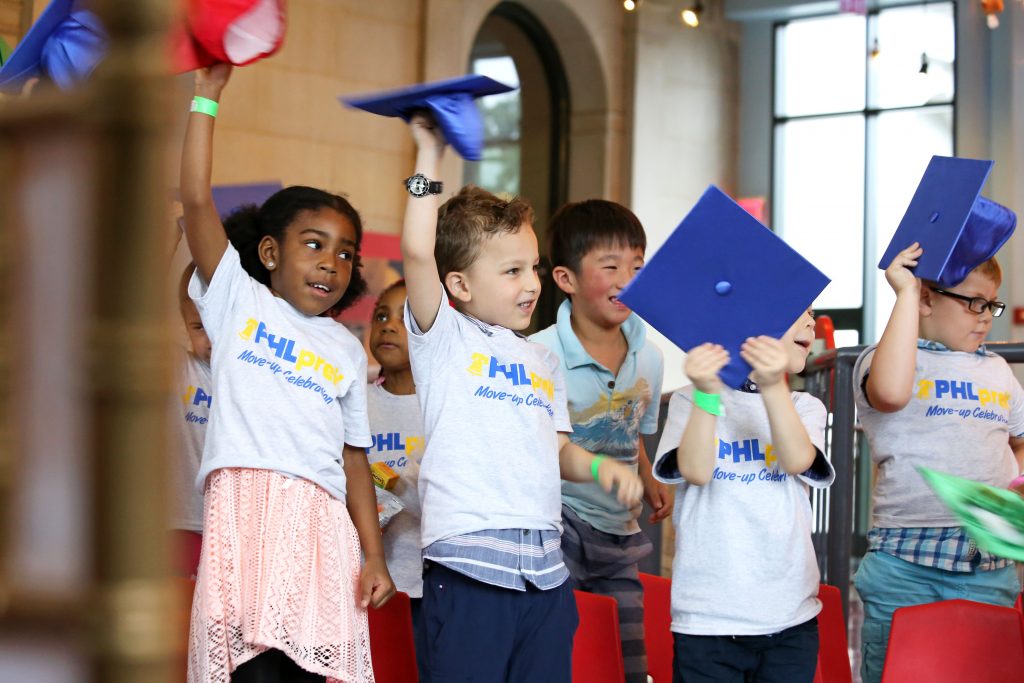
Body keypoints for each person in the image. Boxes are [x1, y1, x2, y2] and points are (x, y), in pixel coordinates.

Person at [400, 112, 643, 682]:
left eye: (532, 266)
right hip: (469, 570)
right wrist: (427, 158)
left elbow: (558, 450)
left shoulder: (542, 357)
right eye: (511, 270)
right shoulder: (444, 338)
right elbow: (417, 251)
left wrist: (603, 469)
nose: (531, 283)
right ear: (459, 285)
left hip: (545, 573)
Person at [180, 62, 393, 683]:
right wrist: (207, 97)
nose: (332, 262)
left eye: (346, 253)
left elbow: (355, 459)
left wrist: (373, 556)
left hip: (320, 524)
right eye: (314, 243)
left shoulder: (347, 351)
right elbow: (196, 199)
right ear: (270, 252)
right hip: (244, 508)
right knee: (248, 673)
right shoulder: (237, 301)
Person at [853, 243, 1024, 683]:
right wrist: (905, 294)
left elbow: (1020, 439)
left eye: (992, 304)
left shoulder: (998, 371)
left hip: (986, 564)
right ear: (927, 299)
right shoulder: (887, 359)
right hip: (903, 566)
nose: (987, 316)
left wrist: (1014, 484)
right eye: (973, 303)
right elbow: (889, 394)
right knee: (898, 672)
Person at [654, 310, 834, 683]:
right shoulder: (690, 400)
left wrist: (771, 386)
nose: (810, 324)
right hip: (707, 621)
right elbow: (696, 470)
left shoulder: (804, 406)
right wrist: (706, 392)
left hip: (789, 620)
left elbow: (798, 459)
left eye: (812, 315)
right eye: (798, 314)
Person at [530, 199, 668, 683]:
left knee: (627, 659)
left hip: (620, 531)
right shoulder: (539, 354)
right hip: (557, 523)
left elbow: (633, 430)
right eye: (610, 266)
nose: (626, 278)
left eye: (637, 265)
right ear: (566, 279)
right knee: (559, 652)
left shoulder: (649, 358)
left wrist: (647, 477)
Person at [365, 279, 428, 676]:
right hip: (367, 580)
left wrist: (402, 483)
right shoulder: (358, 401)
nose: (388, 326)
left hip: (426, 583)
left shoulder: (442, 406)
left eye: (404, 319)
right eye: (381, 316)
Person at [170, 263, 213, 578]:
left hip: (233, 527)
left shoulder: (257, 378)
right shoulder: (178, 367)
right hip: (182, 520)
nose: (211, 339)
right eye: (198, 327)